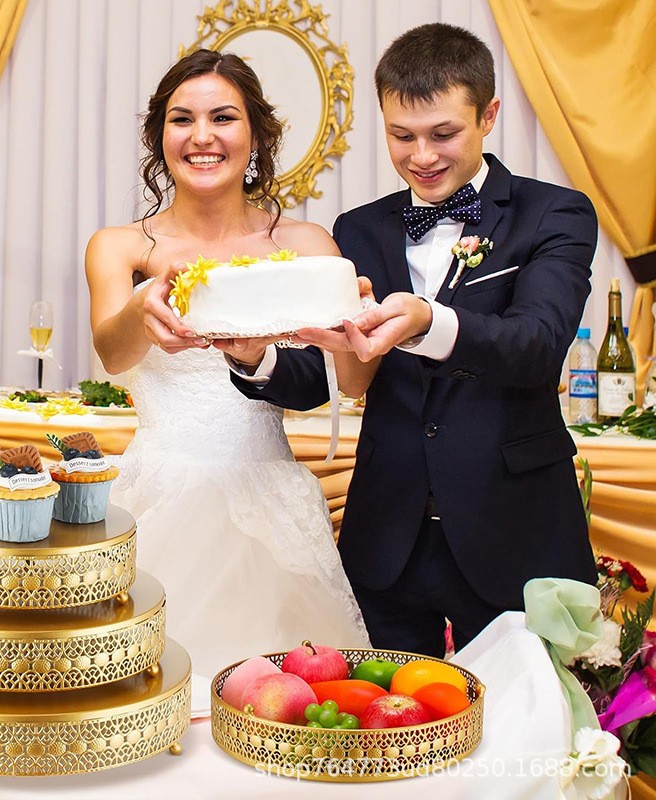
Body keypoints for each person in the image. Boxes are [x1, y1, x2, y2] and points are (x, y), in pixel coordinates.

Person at [229, 23, 598, 658]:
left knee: (524, 735)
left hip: (512, 528)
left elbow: (537, 344)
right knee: (387, 734)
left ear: (488, 116)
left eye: (443, 134)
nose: (420, 156)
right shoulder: (360, 227)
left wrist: (429, 322)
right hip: (387, 536)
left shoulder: (555, 213)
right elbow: (333, 369)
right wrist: (252, 355)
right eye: (401, 136)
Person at [85, 49, 370, 679]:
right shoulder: (122, 247)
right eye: (182, 119)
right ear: (160, 137)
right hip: (159, 492)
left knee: (289, 702)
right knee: (144, 687)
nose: (203, 137)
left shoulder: (306, 245)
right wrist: (145, 309)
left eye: (223, 117)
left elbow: (350, 384)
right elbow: (112, 351)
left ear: (256, 135)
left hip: (270, 494)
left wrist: (356, 333)